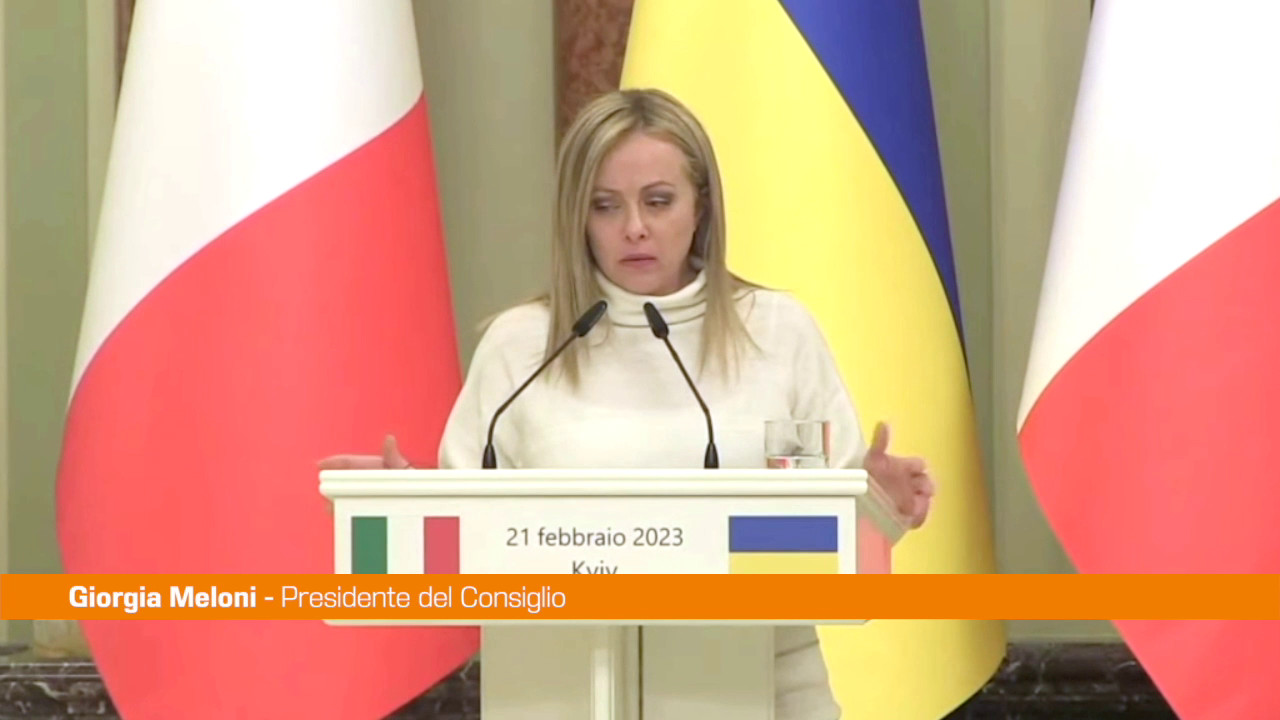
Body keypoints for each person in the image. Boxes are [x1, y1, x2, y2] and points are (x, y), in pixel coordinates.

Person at [321, 87, 935, 720]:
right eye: (605, 206)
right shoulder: (524, 347)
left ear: (701, 206)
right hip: (554, 697)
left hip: (765, 697)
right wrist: (406, 509)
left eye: (658, 201)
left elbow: (824, 550)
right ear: (577, 218)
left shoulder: (775, 335)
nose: (634, 227)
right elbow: (466, 559)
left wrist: (873, 503)